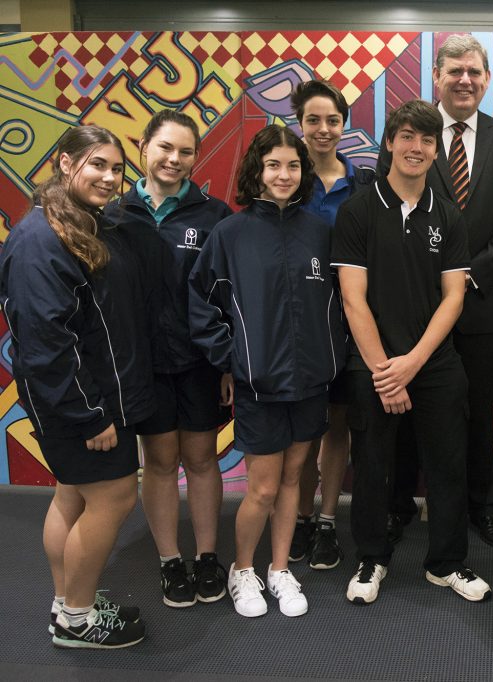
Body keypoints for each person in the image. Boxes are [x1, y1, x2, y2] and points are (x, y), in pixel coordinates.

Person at [0, 125, 153, 648]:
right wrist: (89, 414)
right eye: (97, 165)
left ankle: (68, 602)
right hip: (79, 403)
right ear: (66, 164)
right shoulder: (41, 240)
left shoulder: (78, 225)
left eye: (116, 168)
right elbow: (46, 347)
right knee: (111, 498)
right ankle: (79, 619)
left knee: (72, 496)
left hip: (92, 394)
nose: (110, 178)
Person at [335, 99, 491, 605]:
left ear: (436, 150)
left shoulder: (447, 214)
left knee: (448, 464)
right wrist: (387, 371)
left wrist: (413, 364)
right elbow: (352, 298)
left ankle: (447, 563)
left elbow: (454, 297)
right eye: (407, 137)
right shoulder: (357, 209)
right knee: (373, 463)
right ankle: (371, 558)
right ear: (389, 143)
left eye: (427, 140)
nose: (417, 148)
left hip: (434, 362)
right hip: (373, 363)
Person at [377, 34, 493, 547]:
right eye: (455, 71)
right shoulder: (408, 134)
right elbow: (388, 212)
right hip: (414, 308)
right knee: (405, 406)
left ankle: (480, 508)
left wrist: (462, 277)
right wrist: (433, 283)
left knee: (476, 408)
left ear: (486, 80)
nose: (465, 80)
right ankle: (399, 506)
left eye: (475, 72)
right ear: (436, 78)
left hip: (479, 305)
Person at [189, 125, 343, 618]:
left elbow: (342, 306)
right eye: (273, 164)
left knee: (295, 478)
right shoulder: (230, 234)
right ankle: (243, 570)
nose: (283, 174)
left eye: (293, 166)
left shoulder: (321, 232)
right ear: (257, 169)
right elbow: (202, 304)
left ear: (304, 173)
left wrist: (331, 357)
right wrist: (230, 360)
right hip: (259, 384)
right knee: (260, 487)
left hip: (312, 381)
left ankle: (279, 569)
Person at [106, 110, 233, 609]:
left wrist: (226, 363)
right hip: (144, 366)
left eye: (184, 151)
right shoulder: (113, 216)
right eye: (165, 148)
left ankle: (205, 557)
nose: (173, 160)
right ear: (143, 148)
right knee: (159, 463)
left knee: (201, 459)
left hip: (200, 363)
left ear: (195, 157)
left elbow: (226, 299)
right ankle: (169, 561)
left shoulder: (214, 214)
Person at [288, 79, 375, 571]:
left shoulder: (362, 184)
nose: (323, 130)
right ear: (299, 125)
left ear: (344, 126)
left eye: (333, 120)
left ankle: (325, 521)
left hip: (346, 326)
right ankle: (299, 516)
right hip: (296, 328)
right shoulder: (284, 180)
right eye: (313, 120)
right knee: (303, 431)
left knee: (337, 426)